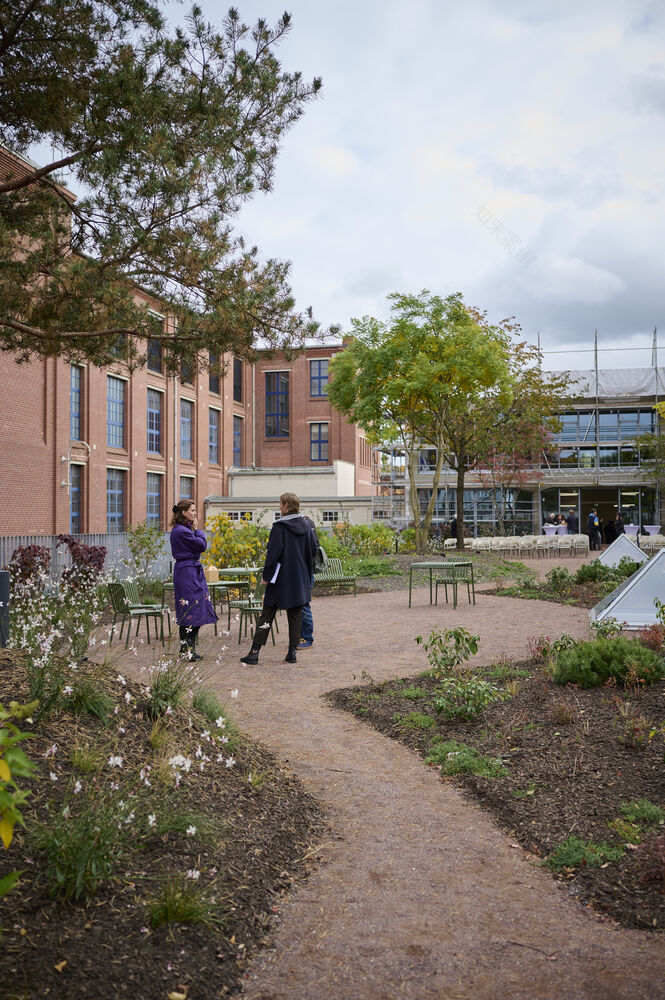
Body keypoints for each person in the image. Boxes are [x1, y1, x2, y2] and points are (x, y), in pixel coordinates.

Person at [240, 492, 315, 666]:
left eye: (280, 504)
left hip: (279, 579)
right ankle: (292, 653)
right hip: (299, 578)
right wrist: (305, 573)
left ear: (286, 506)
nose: (279, 507)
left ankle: (254, 653)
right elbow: (313, 550)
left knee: (267, 615)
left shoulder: (279, 527)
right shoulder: (307, 525)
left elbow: (272, 556)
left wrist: (266, 578)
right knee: (295, 616)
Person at [170, 499, 218, 660]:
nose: (196, 513)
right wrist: (197, 529)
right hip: (187, 574)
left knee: (197, 608)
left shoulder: (183, 529)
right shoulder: (181, 531)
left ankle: (187, 648)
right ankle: (186, 649)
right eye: (192, 510)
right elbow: (202, 546)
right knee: (190, 609)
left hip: (191, 572)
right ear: (183, 513)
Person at [298, 515, 320, 649]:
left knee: (304, 604)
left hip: (305, 571)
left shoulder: (304, 524)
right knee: (302, 604)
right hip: (306, 570)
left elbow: (313, 548)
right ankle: (302, 636)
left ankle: (307, 637)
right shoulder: (307, 524)